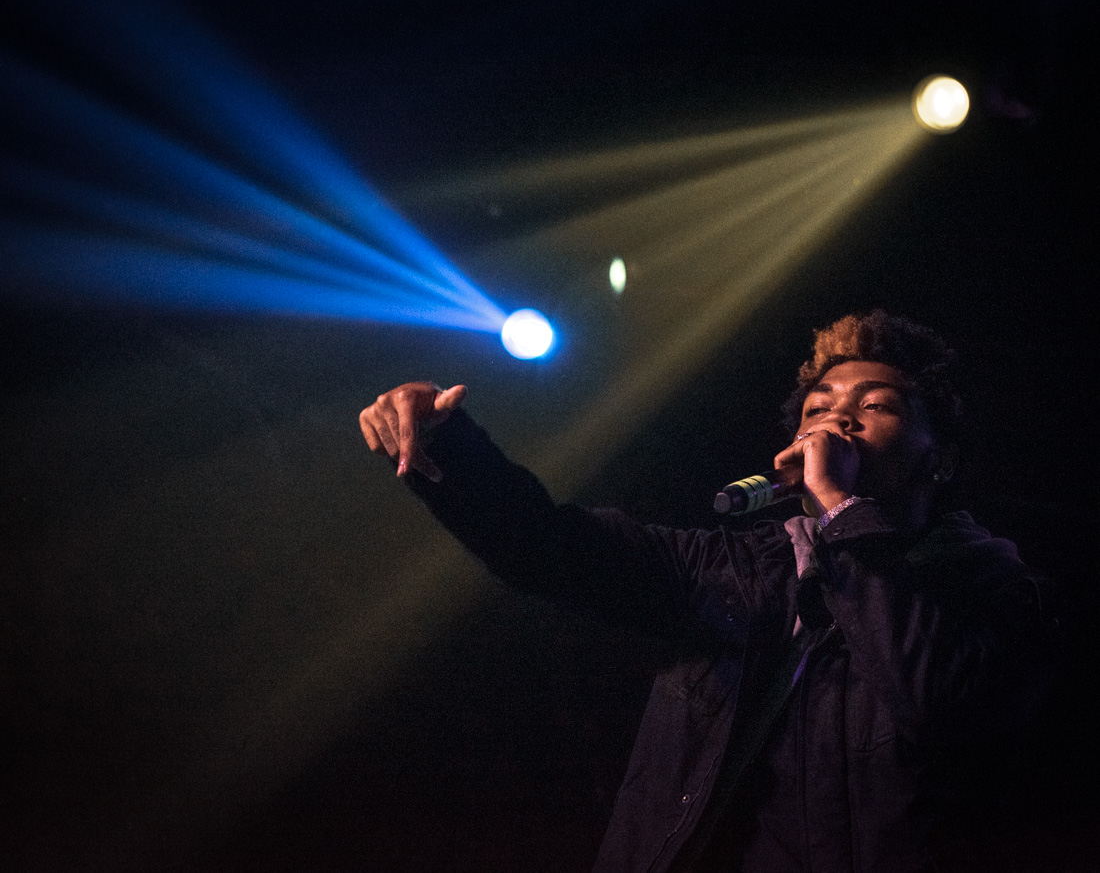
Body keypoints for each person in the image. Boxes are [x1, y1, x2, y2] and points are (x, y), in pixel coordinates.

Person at [359, 311, 1060, 872]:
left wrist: (845, 512)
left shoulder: (996, 586)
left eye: (874, 406)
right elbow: (551, 545)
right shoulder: (727, 566)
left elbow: (938, 699)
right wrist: (449, 444)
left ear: (940, 457)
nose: (836, 420)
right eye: (818, 406)